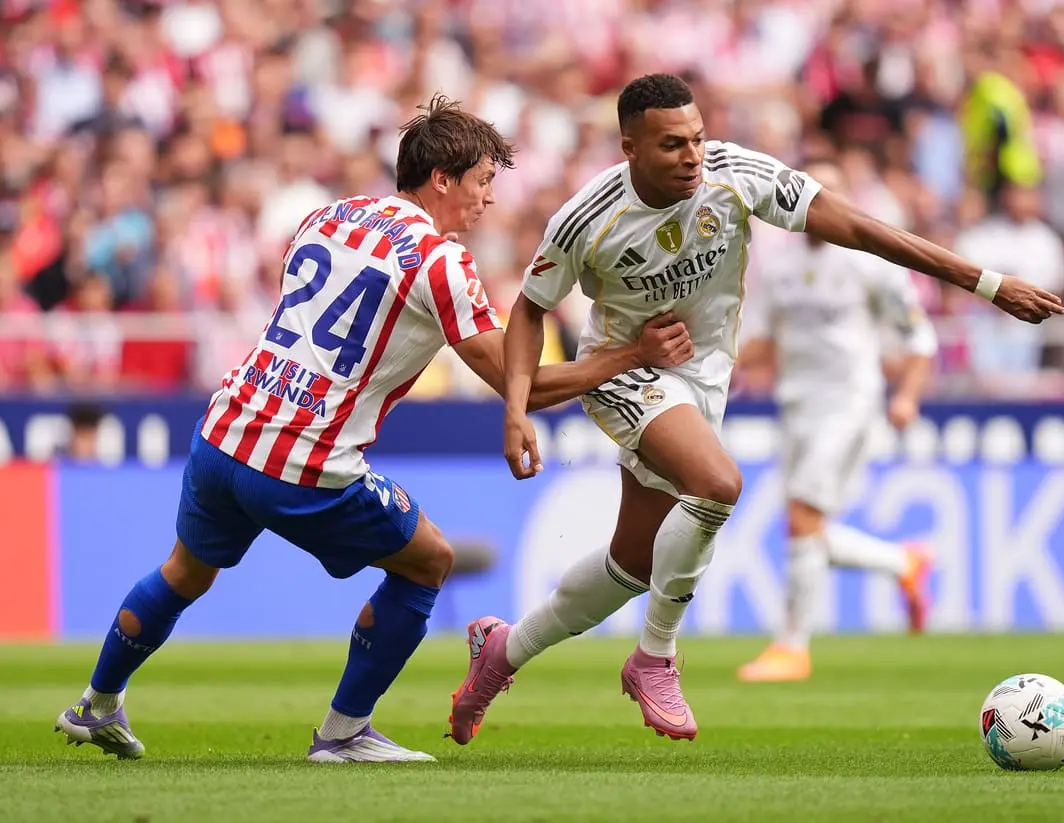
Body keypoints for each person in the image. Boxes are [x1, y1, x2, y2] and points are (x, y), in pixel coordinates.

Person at [54, 96, 694, 763]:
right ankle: (342, 733)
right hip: (304, 459)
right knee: (429, 560)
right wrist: (629, 354)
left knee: (185, 569)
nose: (488, 201)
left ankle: (95, 704)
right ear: (441, 179)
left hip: (225, 428)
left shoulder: (327, 215)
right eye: (481, 182)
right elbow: (517, 377)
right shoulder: (439, 261)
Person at [448, 73, 1062, 745]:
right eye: (672, 144)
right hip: (627, 370)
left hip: (702, 380)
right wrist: (515, 408)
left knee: (633, 563)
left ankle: (501, 652)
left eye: (698, 139)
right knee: (717, 484)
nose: (691, 155)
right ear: (629, 147)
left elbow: (857, 225)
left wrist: (986, 282)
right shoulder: (586, 218)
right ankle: (655, 656)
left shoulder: (736, 175)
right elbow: (530, 310)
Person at [733, 158, 938, 683]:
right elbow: (761, 340)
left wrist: (907, 397)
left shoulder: (871, 263)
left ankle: (792, 647)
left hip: (849, 402)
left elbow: (918, 335)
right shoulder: (778, 266)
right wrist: (716, 368)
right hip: (796, 404)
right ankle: (904, 564)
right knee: (806, 529)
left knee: (802, 515)